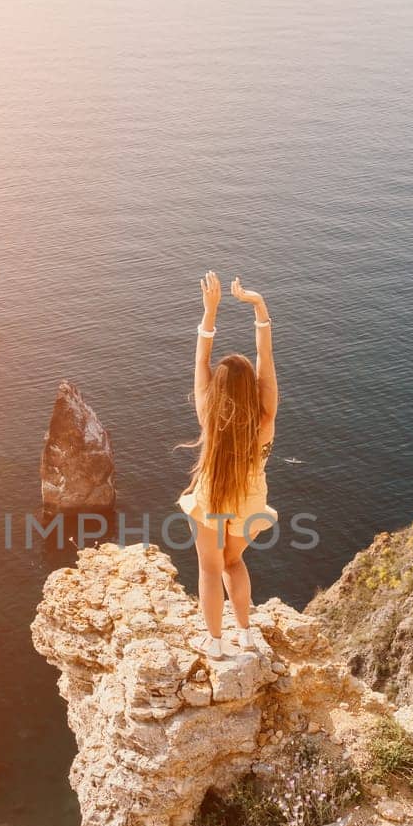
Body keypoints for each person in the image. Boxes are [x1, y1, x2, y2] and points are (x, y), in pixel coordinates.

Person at [179, 270, 278, 658]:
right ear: (251, 385)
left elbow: (201, 356)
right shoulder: (265, 419)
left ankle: (215, 643)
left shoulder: (208, 411)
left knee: (209, 566)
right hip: (251, 500)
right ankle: (246, 633)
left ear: (218, 389)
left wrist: (210, 311)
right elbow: (265, 356)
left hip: (212, 495)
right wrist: (259, 306)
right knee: (233, 561)